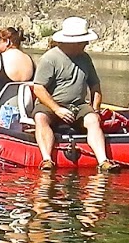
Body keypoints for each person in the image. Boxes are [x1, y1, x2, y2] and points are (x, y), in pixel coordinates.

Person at [30, 16, 116, 171]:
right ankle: (47, 159)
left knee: (93, 120)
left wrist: (95, 109)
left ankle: (103, 160)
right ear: (74, 42)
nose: (87, 44)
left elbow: (95, 86)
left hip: (78, 105)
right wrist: (57, 109)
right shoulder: (50, 59)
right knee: (40, 117)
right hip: (51, 105)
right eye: (84, 41)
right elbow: (38, 89)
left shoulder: (85, 59)